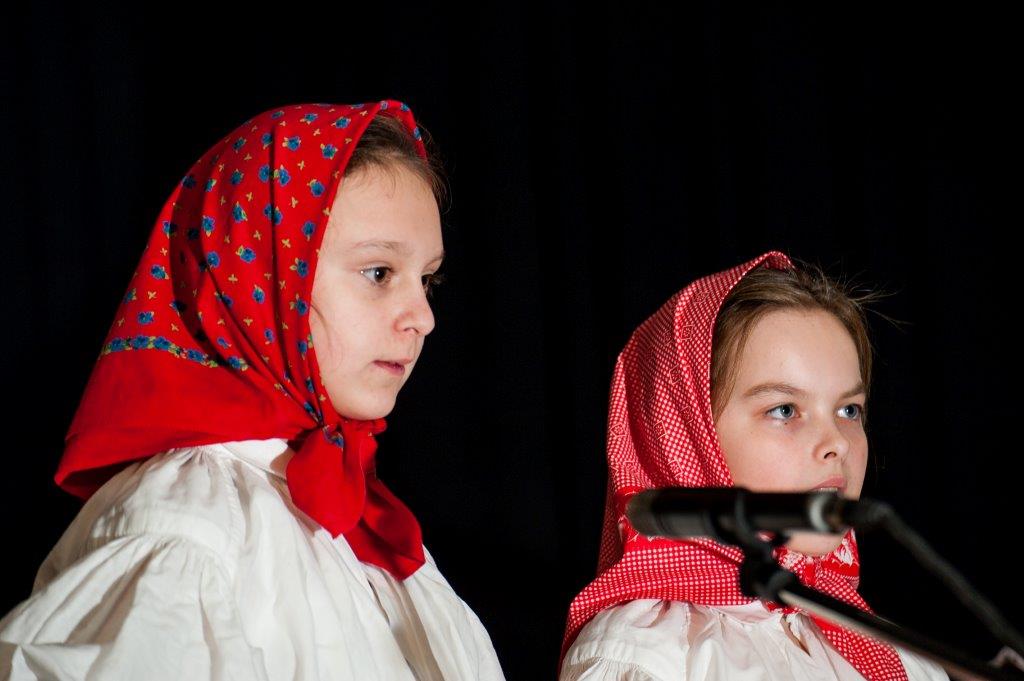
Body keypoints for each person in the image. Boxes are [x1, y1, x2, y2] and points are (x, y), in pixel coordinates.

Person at [0, 100, 505, 680]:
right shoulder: (189, 531)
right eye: (379, 273)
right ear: (262, 276)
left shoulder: (367, 529)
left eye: (427, 279)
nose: (423, 317)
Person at [558, 251, 949, 680]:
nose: (838, 443)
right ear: (687, 437)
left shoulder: (897, 653)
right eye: (784, 410)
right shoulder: (645, 656)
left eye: (849, 410)